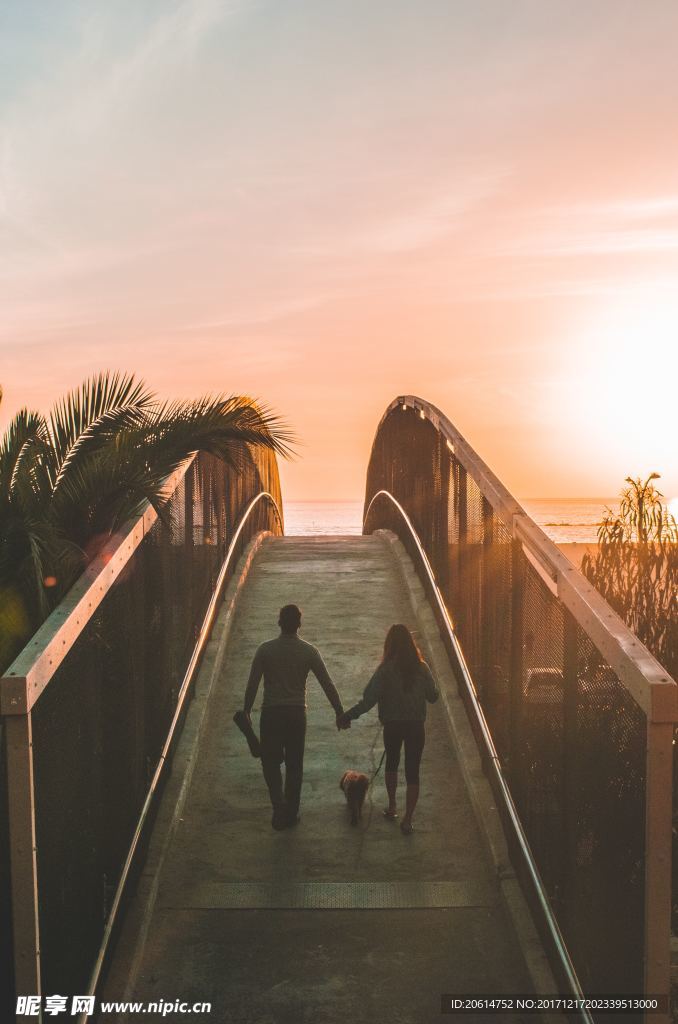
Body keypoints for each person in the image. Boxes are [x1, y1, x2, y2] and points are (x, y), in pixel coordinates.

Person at [243, 604, 346, 830]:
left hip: (271, 713)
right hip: (296, 714)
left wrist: (247, 710)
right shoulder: (308, 651)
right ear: (299, 624)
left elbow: (253, 684)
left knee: (270, 762)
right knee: (294, 765)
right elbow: (327, 683)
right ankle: (291, 812)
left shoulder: (265, 650)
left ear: (279, 622)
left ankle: (278, 805)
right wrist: (339, 711)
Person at [339, 624, 438, 835]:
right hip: (415, 726)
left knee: (391, 764)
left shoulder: (384, 671)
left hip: (392, 725)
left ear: (389, 645)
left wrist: (348, 716)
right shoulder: (421, 668)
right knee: (413, 772)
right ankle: (408, 820)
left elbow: (368, 700)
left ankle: (392, 806)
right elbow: (433, 696)